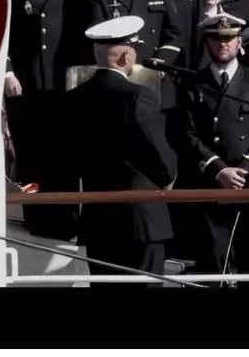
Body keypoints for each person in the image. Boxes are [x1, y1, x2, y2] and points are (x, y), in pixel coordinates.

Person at [65, 15, 177, 281]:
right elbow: (161, 158)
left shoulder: (73, 99)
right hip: (142, 220)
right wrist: (169, 176)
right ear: (127, 56)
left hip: (97, 217)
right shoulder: (138, 96)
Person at [2, 0, 86, 238]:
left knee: (65, 156)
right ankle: (38, 219)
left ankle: (67, 221)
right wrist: (7, 72)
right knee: (33, 157)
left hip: (64, 84)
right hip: (28, 85)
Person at [178, 13, 249, 278]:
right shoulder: (192, 84)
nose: (223, 44)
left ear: (239, 41)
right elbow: (186, 133)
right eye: (216, 38)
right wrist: (218, 170)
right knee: (215, 268)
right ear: (207, 42)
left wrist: (248, 168)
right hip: (212, 184)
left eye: (229, 38)